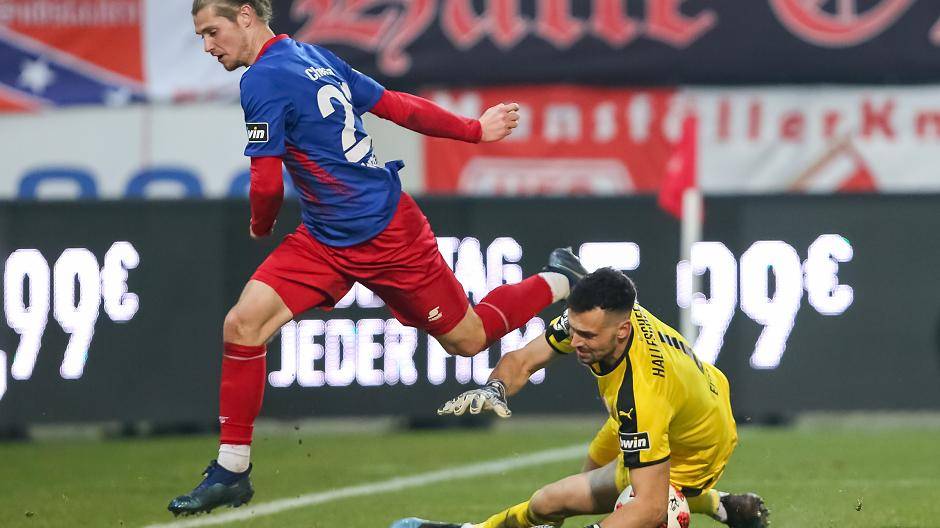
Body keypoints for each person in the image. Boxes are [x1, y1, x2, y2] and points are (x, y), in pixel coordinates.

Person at [169, 0, 587, 516]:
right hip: (326, 238)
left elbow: (267, 183)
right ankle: (231, 470)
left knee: (470, 338)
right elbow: (395, 105)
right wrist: (473, 129)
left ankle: (559, 278)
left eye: (213, 31)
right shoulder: (314, 57)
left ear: (247, 16)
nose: (208, 46)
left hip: (388, 236)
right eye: (202, 36)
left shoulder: (261, 79)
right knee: (243, 324)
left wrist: (260, 225)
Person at [394, 268, 769, 528]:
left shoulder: (642, 395)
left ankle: (711, 499)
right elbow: (522, 360)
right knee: (548, 503)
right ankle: (727, 506)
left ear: (622, 332)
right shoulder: (599, 318)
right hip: (687, 399)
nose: (575, 342)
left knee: (646, 510)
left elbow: (650, 507)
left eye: (587, 336)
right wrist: (496, 388)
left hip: (697, 445)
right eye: (573, 330)